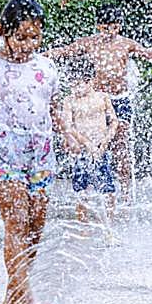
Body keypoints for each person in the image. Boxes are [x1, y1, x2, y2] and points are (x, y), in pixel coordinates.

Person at [0, 0, 73, 304]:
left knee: (36, 227)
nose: (29, 44)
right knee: (17, 221)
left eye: (35, 36)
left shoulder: (46, 68)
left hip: (40, 154)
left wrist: (69, 135)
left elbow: (53, 109)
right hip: (3, 154)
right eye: (22, 36)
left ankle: (12, 299)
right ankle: (26, 299)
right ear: (4, 32)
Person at [48, 4, 152, 197]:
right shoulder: (90, 43)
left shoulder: (125, 44)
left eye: (114, 27)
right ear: (99, 26)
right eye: (106, 27)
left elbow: (150, 55)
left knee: (121, 143)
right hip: (97, 102)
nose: (111, 31)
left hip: (120, 99)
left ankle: (125, 190)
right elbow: (64, 51)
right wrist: (38, 58)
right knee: (91, 142)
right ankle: (92, 189)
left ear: (119, 26)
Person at [62, 57, 120, 226]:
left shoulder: (102, 98)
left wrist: (106, 140)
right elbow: (68, 126)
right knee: (81, 189)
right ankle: (83, 225)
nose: (74, 88)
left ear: (90, 81)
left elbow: (114, 121)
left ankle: (109, 224)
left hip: (101, 148)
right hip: (82, 150)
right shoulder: (69, 100)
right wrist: (86, 143)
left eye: (78, 84)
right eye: (71, 84)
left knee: (108, 188)